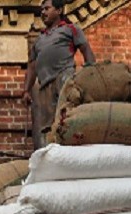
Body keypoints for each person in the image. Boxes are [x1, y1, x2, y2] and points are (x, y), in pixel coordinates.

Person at [24, 0, 96, 149]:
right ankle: (51, 153)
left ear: (59, 10)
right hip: (45, 85)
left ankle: (72, 149)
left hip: (64, 78)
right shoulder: (40, 39)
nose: (43, 12)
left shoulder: (70, 29)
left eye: (47, 9)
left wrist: (91, 72)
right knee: (47, 125)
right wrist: (26, 90)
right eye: (42, 10)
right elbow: (32, 66)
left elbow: (86, 50)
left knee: (67, 117)